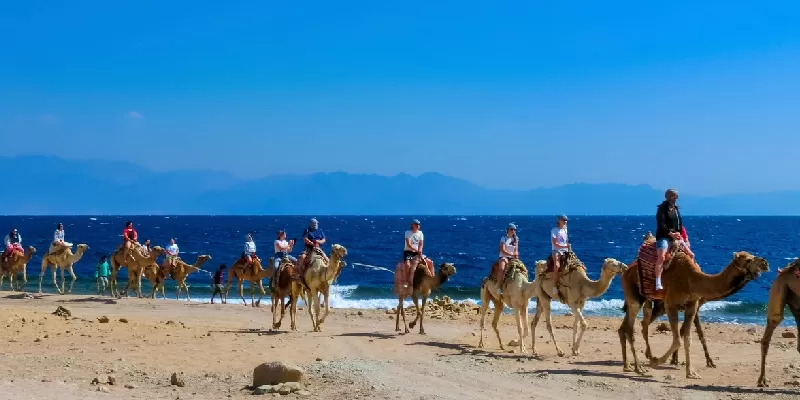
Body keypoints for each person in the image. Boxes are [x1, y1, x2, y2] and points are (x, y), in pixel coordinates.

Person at [655, 188, 683, 291]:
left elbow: (679, 224)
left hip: (676, 237)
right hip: (664, 236)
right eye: (674, 196)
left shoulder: (676, 210)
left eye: (676, 196)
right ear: (668, 197)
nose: (676, 198)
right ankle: (658, 281)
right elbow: (661, 224)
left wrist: (679, 235)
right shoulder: (662, 209)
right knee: (662, 257)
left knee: (690, 254)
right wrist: (671, 233)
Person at [550, 215, 571, 297]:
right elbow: (555, 243)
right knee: (557, 265)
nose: (565, 221)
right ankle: (554, 286)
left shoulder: (565, 230)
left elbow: (566, 241)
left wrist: (568, 248)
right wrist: (565, 246)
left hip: (565, 251)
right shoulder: (554, 230)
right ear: (559, 220)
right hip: (556, 250)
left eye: (566, 220)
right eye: (564, 220)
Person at [496, 223, 519, 292]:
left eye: (514, 230)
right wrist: (511, 255)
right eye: (511, 229)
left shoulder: (516, 239)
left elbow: (516, 250)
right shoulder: (504, 238)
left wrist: (516, 256)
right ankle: (499, 286)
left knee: (521, 269)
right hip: (504, 257)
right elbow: (502, 250)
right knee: (502, 269)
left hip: (512, 258)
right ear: (507, 230)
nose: (513, 231)